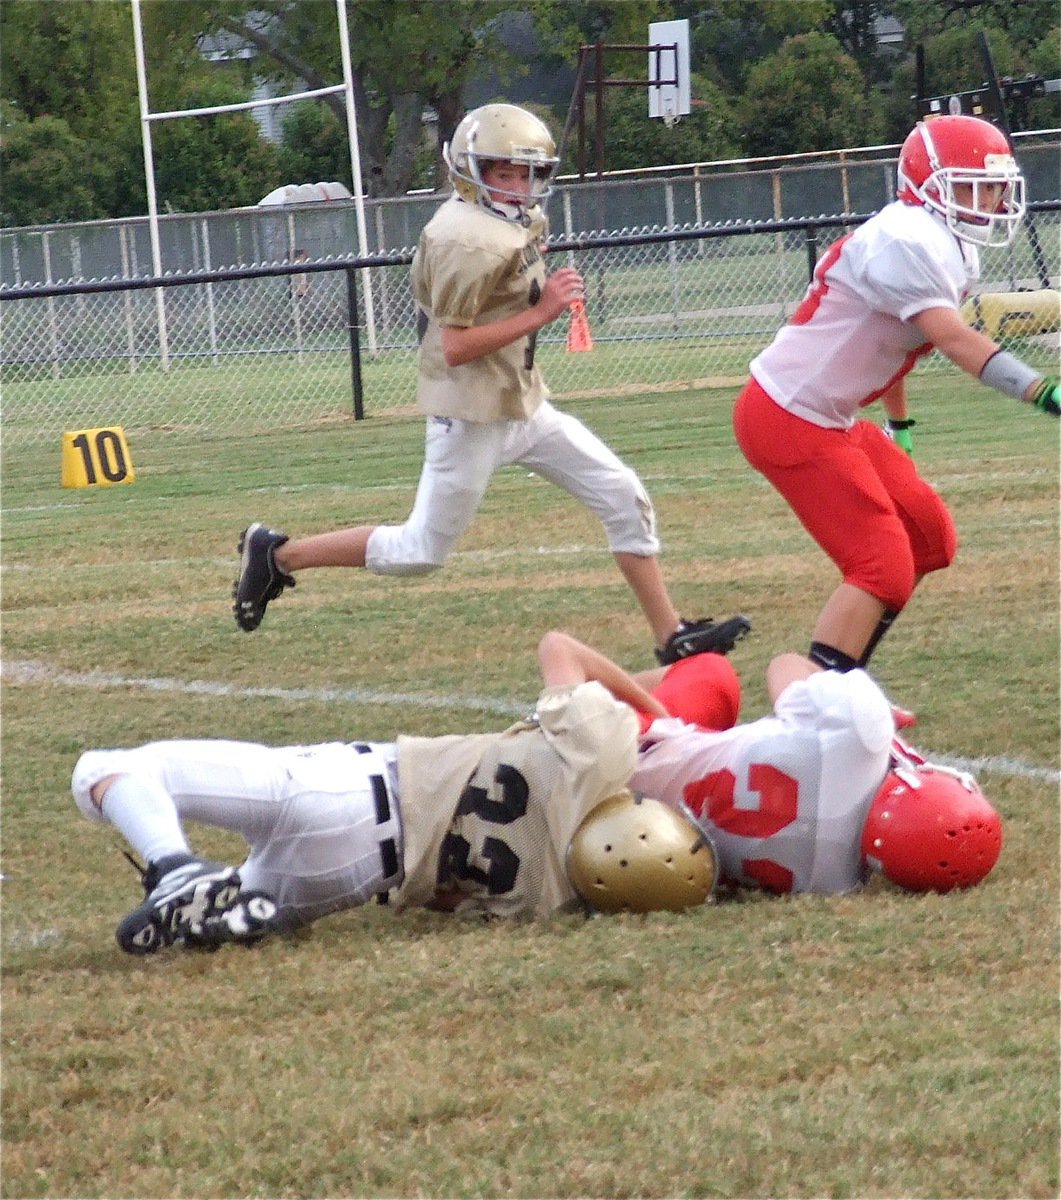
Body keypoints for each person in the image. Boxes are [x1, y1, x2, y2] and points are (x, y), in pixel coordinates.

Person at [232, 102, 749, 666]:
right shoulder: (465, 239)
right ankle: (278, 556)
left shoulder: (507, 220)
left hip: (521, 402)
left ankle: (671, 635)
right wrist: (541, 311)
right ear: (470, 168)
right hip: (472, 412)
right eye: (505, 171)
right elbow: (453, 346)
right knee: (420, 551)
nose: (521, 184)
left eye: (529, 172)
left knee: (623, 494)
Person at [71, 631, 718, 956]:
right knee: (240, 906)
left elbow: (557, 646)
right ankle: (242, 911)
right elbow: (442, 901)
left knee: (103, 770)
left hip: (350, 790)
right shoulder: (554, 900)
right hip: (355, 877)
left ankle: (175, 865)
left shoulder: (597, 750)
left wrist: (654, 711)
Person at [732, 113, 1059, 677]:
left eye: (997, 184)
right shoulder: (906, 238)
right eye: (975, 184)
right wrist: (1043, 391)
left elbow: (896, 346)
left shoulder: (943, 243)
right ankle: (819, 707)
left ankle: (845, 684)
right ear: (928, 183)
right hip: (789, 415)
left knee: (929, 539)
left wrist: (898, 429)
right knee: (881, 565)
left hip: (830, 416)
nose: (993, 198)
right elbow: (953, 339)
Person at [548, 631, 1003, 896]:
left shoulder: (859, 736)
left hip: (637, 748)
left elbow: (783, 665)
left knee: (711, 672)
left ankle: (573, 706)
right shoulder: (833, 881)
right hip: (640, 827)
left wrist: (876, 714)